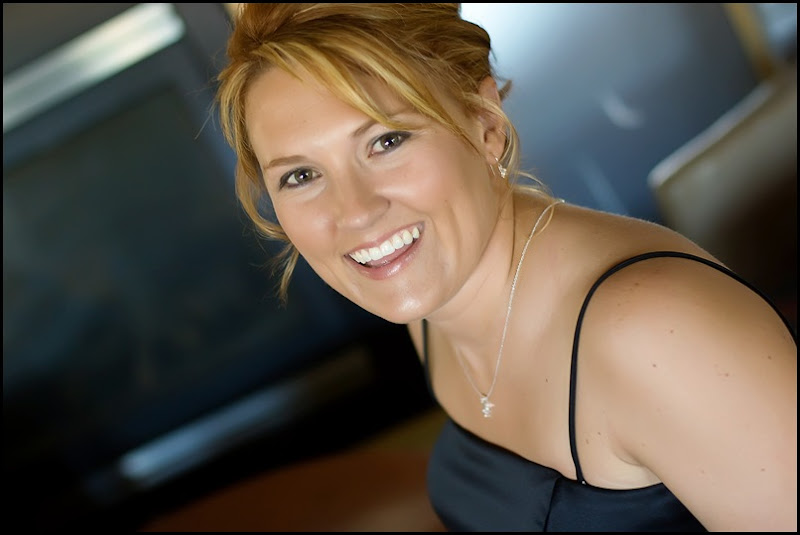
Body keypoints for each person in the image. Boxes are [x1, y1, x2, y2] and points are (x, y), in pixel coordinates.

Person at [215, 3, 797, 531]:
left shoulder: (657, 333)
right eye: (301, 175)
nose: (356, 212)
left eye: (387, 142)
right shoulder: (427, 300)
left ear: (485, 124)